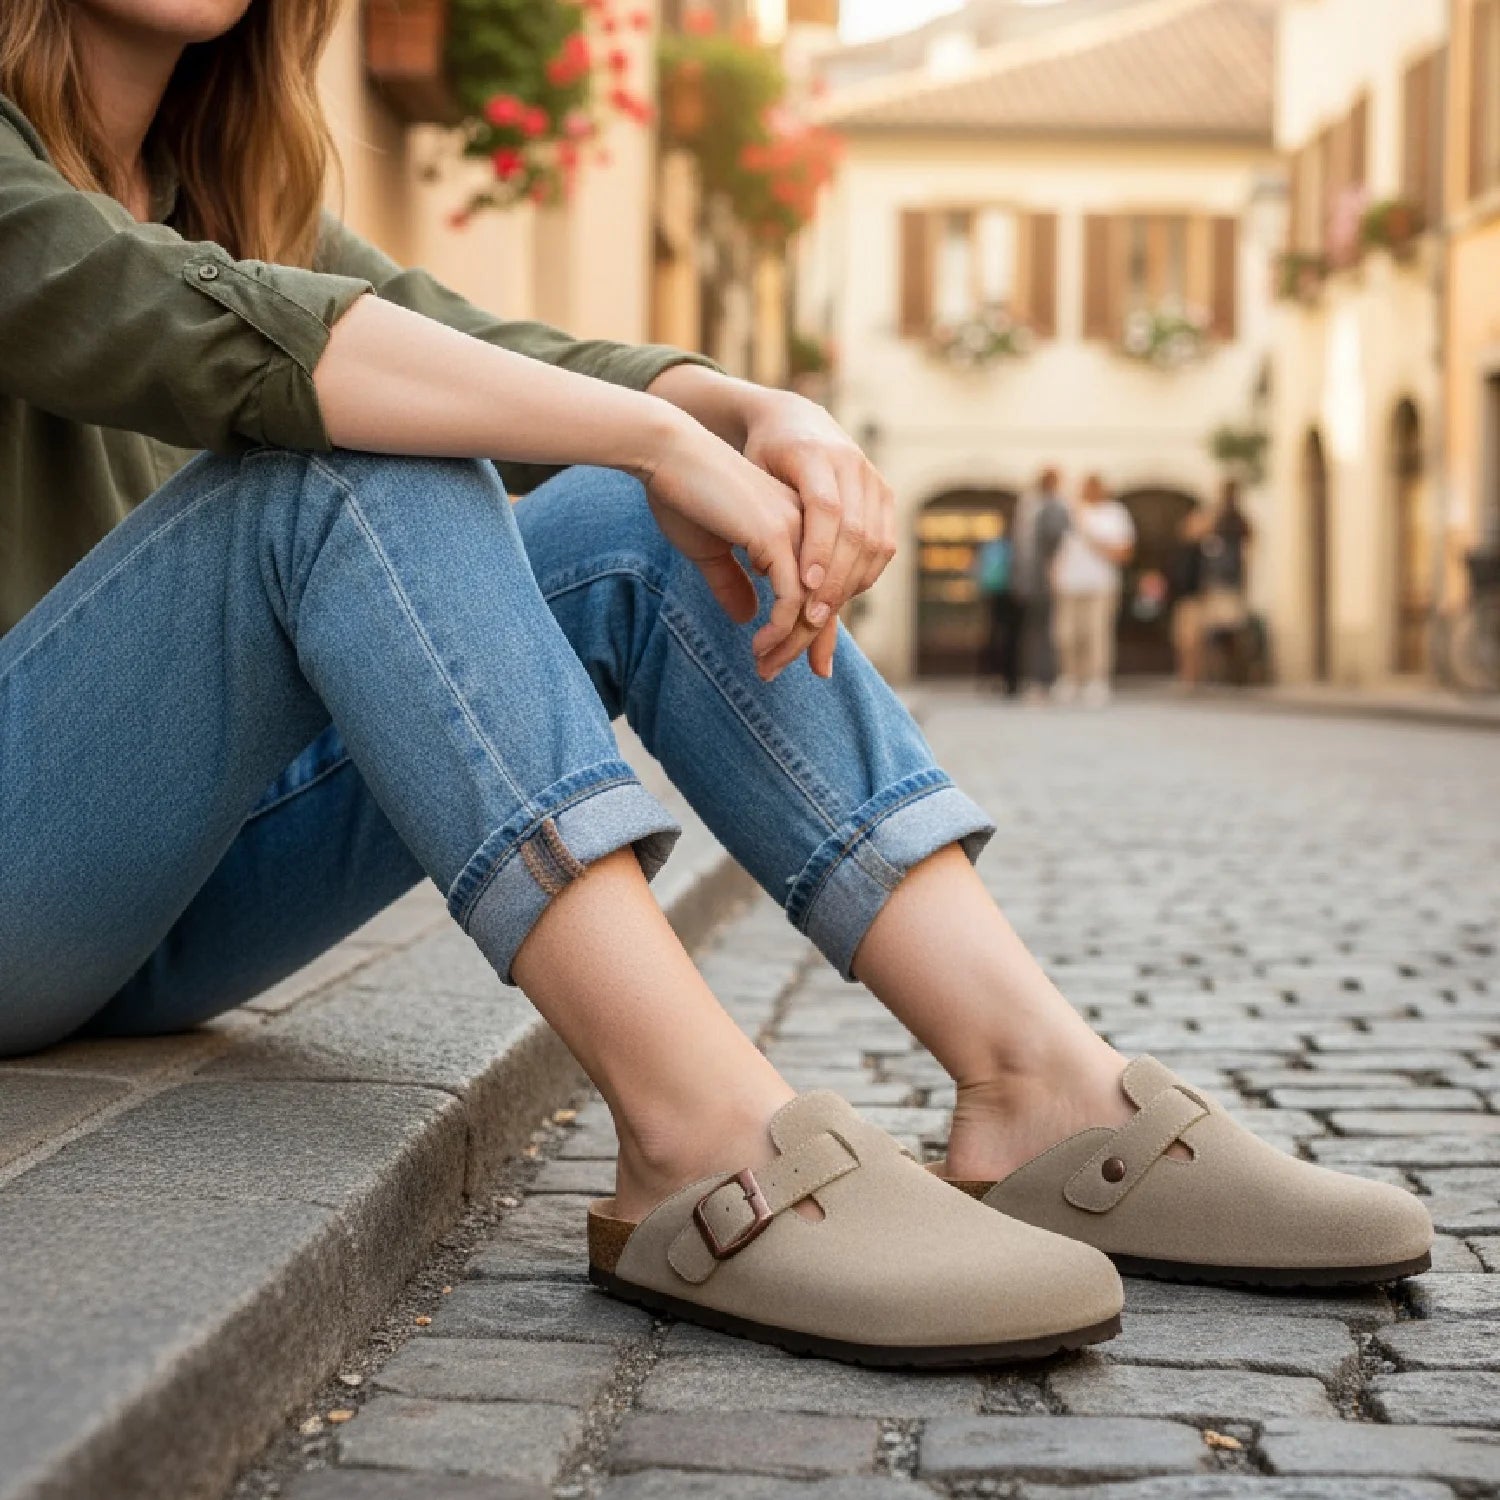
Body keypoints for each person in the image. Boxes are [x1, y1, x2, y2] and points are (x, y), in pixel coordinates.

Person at [0, 0, 1431, 1370]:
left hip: (164, 891)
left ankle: (1039, 1088)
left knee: (631, 520)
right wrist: (657, 435)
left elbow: (493, 353)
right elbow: (203, 328)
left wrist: (749, 414)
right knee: (359, 443)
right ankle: (701, 1137)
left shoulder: (225, 182)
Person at [1051, 474, 1136, 705]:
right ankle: (1070, 678)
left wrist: (1091, 537)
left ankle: (1097, 680)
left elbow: (1124, 552)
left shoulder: (1115, 513)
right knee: (1067, 634)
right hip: (1069, 584)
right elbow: (1059, 548)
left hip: (1100, 584)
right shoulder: (1071, 512)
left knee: (1097, 633)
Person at [1009, 467, 1070, 696]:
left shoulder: (1032, 507)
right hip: (1041, 581)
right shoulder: (1050, 507)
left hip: (1035, 581)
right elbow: (1054, 543)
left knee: (1040, 632)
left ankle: (1041, 680)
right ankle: (1041, 680)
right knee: (1043, 632)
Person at [1200, 479, 1255, 680]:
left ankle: (1228, 672)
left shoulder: (1232, 518)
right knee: (1222, 628)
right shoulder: (1229, 517)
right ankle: (1222, 672)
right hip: (1224, 578)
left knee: (1226, 628)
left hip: (1226, 579)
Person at [1168, 502, 1212, 690]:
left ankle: (1194, 677)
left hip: (1198, 600)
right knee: (1181, 640)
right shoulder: (1183, 549)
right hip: (1182, 599)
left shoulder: (1207, 548)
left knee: (1193, 640)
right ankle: (1185, 675)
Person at [974, 518, 1020, 694]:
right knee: (1008, 639)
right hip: (1011, 596)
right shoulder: (1013, 548)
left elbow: (978, 570)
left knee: (993, 636)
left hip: (991, 594)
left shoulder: (991, 547)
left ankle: (990, 677)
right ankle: (1007, 680)